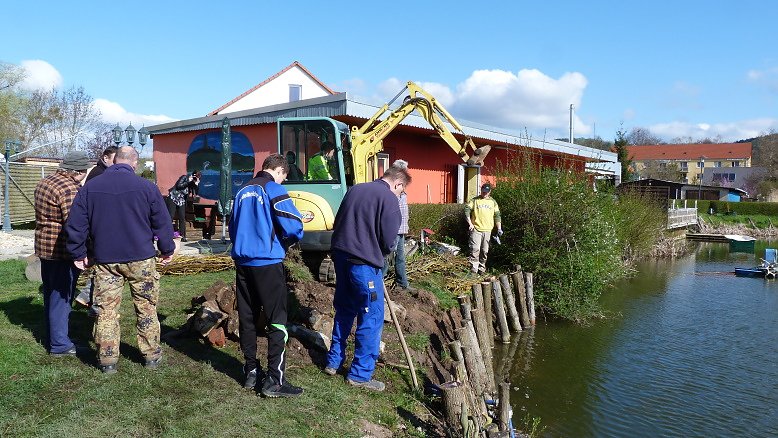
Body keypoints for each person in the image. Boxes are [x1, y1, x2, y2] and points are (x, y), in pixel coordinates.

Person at [65, 146, 175, 374]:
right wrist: (166, 248)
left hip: (106, 260)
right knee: (146, 307)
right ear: (134, 163)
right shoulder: (147, 187)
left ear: (115, 161)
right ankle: (151, 354)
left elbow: (76, 224)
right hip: (141, 260)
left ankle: (107, 360)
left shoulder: (91, 187)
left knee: (106, 310)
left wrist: (78, 252)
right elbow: (162, 222)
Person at [324, 161, 412, 391]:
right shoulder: (389, 199)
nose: (401, 193)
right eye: (402, 190)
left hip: (341, 258)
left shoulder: (355, 189)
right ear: (398, 183)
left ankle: (333, 362)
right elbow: (390, 240)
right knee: (371, 316)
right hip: (363, 265)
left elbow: (338, 222)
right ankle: (360, 375)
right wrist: (380, 256)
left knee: (344, 310)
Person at [230, 153, 304, 398]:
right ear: (280, 171)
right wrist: (287, 241)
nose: (284, 180)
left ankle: (250, 371)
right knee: (276, 320)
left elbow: (232, 227)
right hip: (268, 262)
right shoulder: (273, 189)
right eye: (285, 176)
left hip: (243, 263)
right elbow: (294, 224)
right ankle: (275, 380)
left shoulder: (242, 191)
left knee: (248, 317)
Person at [33, 151, 91, 357]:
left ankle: (54, 336)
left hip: (44, 247)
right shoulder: (69, 188)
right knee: (61, 297)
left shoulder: (45, 181)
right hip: (61, 251)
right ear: (79, 172)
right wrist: (83, 251)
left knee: (51, 294)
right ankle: (60, 345)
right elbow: (74, 224)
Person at [382, 160, 411, 290]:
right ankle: (379, 282)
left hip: (401, 230)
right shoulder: (390, 190)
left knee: (400, 258)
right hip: (393, 230)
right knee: (386, 257)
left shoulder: (402, 191)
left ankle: (402, 284)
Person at [465, 182, 502, 274]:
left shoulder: (493, 202)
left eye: (486, 192)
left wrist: (499, 228)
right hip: (476, 229)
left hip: (488, 230)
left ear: (490, 192)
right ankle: (473, 269)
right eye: (483, 191)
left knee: (485, 251)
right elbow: (467, 210)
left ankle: (481, 269)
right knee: (475, 249)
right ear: (481, 191)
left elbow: (497, 215)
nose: (484, 193)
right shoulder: (474, 200)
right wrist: (470, 223)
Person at [167, 170, 200, 242]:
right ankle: (168, 235)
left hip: (182, 200)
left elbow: (195, 195)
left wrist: (196, 184)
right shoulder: (184, 177)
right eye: (195, 177)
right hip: (173, 197)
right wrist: (189, 182)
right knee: (171, 216)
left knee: (182, 217)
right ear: (192, 175)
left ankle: (183, 236)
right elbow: (178, 186)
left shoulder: (193, 183)